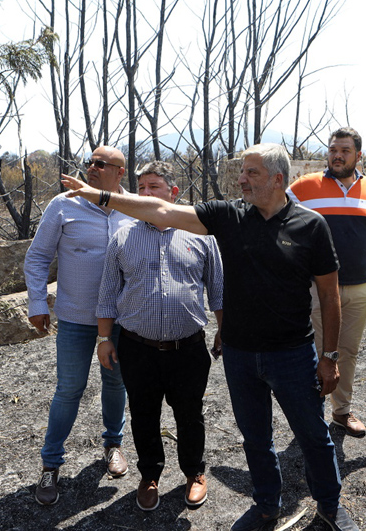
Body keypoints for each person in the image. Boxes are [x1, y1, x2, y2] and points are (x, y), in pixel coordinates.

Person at [61, 143, 359, 531]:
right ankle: (267, 505)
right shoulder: (228, 216)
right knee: (255, 438)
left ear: (277, 179)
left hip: (292, 354)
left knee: (313, 436)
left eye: (250, 172)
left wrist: (330, 356)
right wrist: (101, 195)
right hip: (240, 355)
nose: (240, 179)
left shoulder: (311, 226)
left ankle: (332, 508)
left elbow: (329, 296)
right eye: (242, 172)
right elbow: (162, 211)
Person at [96, 162, 224, 511]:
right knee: (143, 414)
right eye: (141, 187)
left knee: (190, 414)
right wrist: (104, 338)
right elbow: (108, 292)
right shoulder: (122, 237)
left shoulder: (201, 235)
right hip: (138, 348)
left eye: (154, 186)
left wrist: (224, 329)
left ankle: (194, 473)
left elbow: (217, 290)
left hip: (189, 348)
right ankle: (150, 473)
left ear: (174, 193)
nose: (146, 193)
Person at [24, 146, 134, 506]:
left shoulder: (132, 207)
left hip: (120, 320)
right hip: (74, 317)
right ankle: (51, 464)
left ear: (119, 172)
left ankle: (113, 445)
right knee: (69, 389)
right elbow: (38, 256)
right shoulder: (63, 205)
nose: (90, 168)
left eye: (100, 164)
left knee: (116, 383)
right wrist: (38, 302)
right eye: (89, 162)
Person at [287, 127, 366, 438]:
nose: (337, 155)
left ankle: (341, 412)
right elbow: (278, 221)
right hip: (316, 288)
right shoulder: (304, 188)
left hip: (360, 287)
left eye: (345, 150)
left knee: (347, 351)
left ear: (358, 156)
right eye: (333, 149)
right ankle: (311, 414)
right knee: (318, 351)